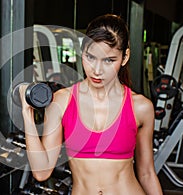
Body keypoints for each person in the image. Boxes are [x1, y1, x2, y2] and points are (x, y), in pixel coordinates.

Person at [19, 14, 163, 194]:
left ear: (125, 57)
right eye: (90, 57)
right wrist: (27, 112)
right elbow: (42, 172)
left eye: (109, 60)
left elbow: (147, 173)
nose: (97, 70)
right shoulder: (62, 101)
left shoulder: (140, 107)